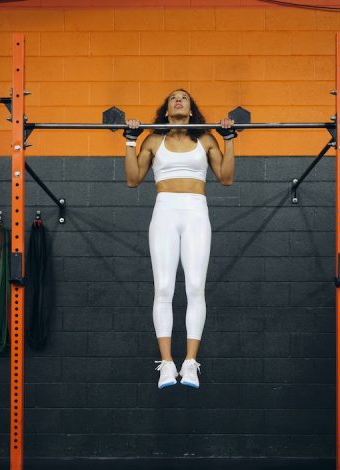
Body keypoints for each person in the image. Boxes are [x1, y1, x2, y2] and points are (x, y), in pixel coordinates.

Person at [123, 89, 236, 389]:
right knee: (163, 287)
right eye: (173, 97)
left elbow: (226, 178)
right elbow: (133, 180)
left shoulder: (207, 139)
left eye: (184, 97)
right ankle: (166, 364)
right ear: (166, 108)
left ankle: (189, 364)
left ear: (190, 108)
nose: (178, 100)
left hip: (196, 212)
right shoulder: (153, 140)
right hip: (165, 212)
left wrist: (231, 139)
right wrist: (130, 140)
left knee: (196, 286)